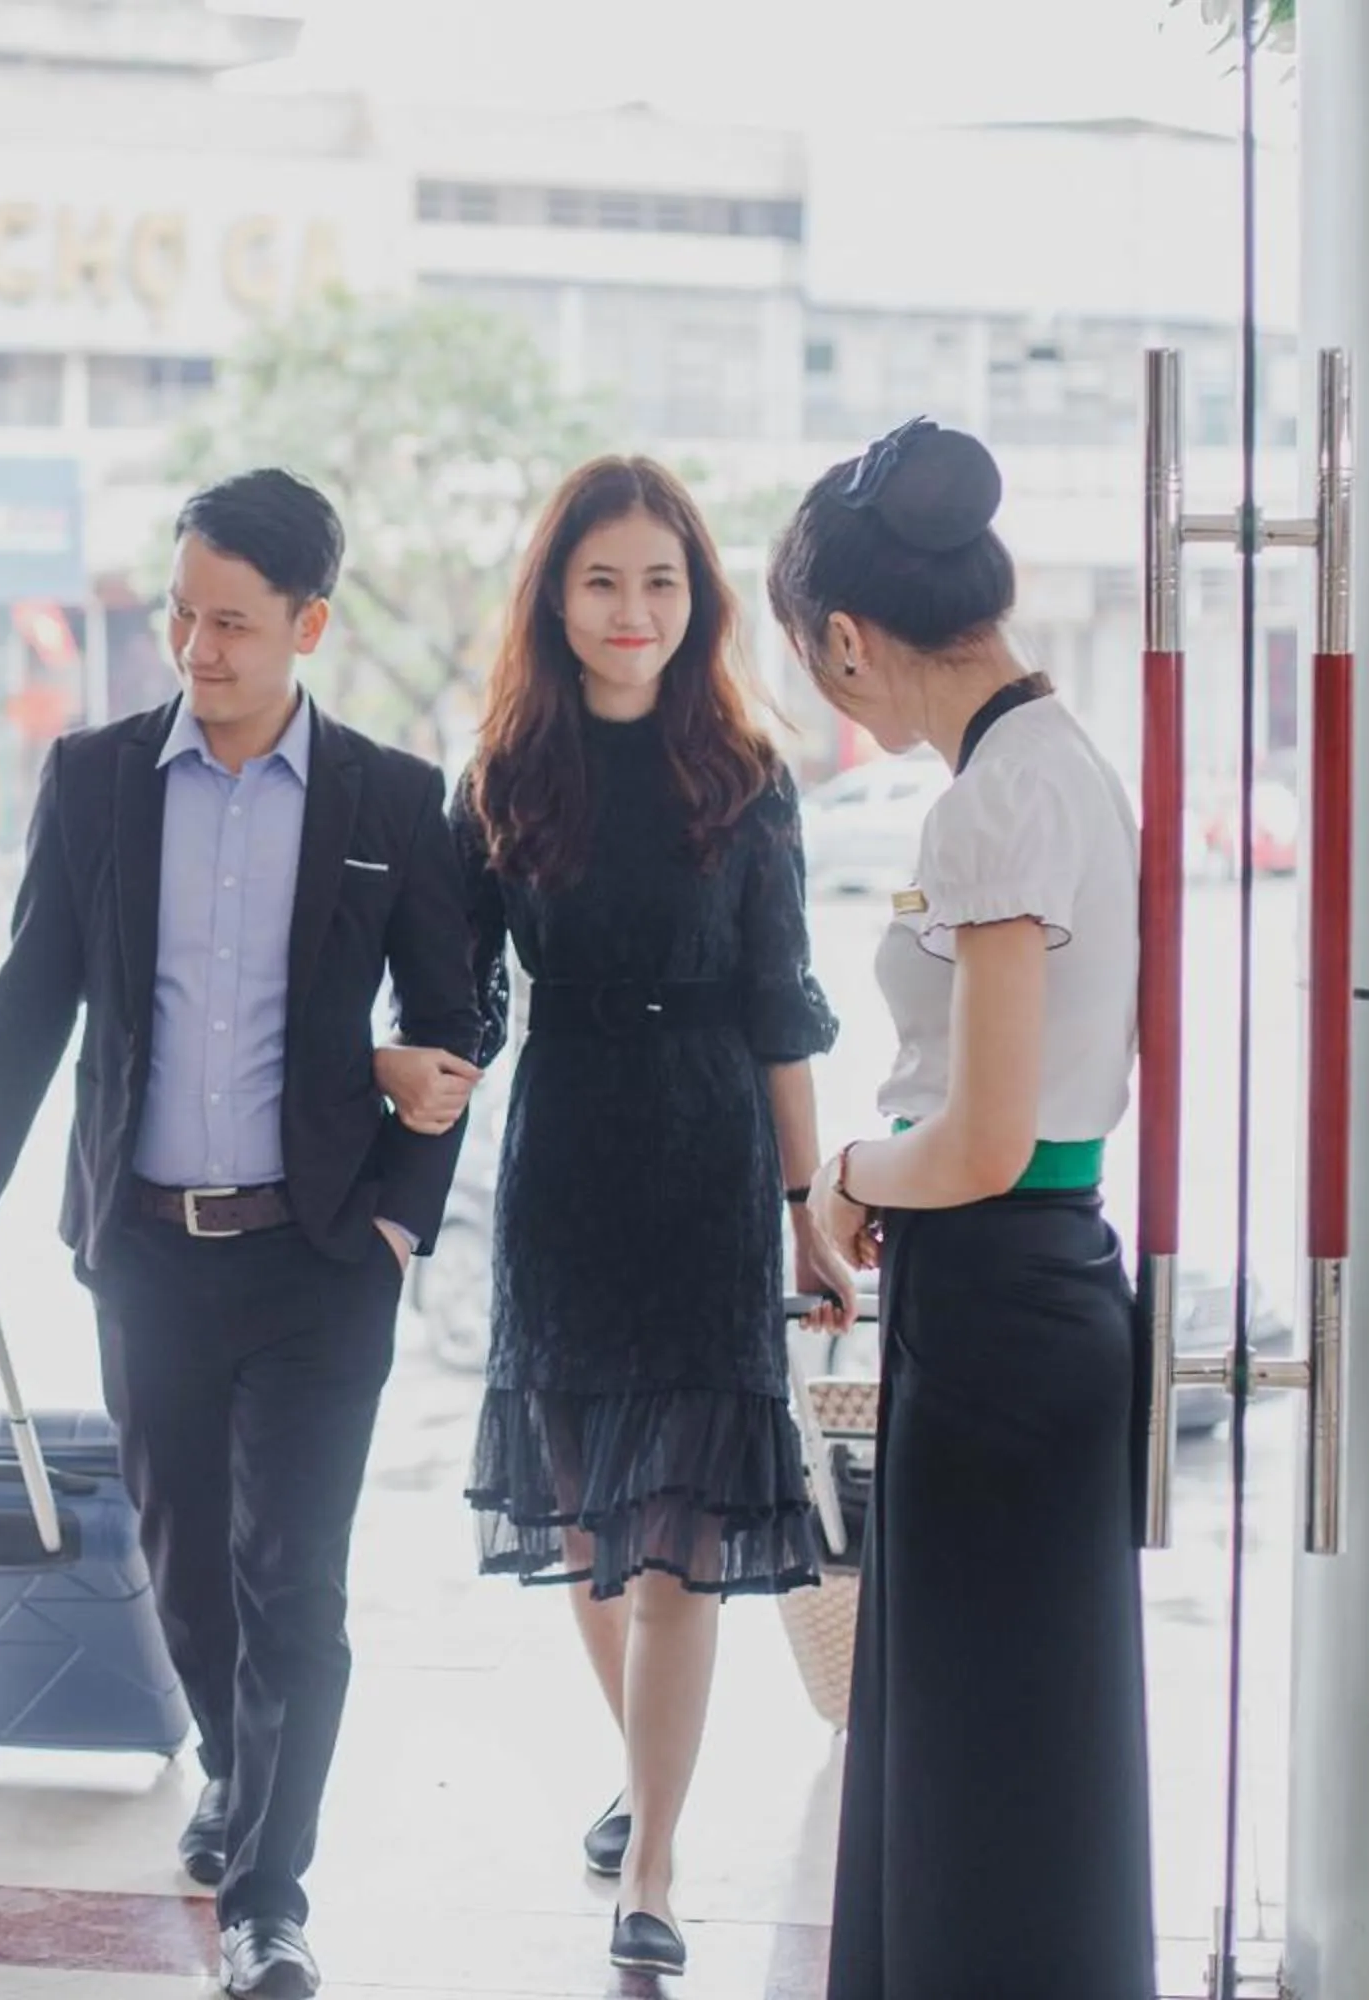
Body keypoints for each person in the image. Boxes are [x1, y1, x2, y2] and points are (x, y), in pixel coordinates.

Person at [0, 469, 482, 2000]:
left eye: (231, 623)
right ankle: (237, 1773)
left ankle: (270, 1900)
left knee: (298, 1583)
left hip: (321, 1257)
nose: (196, 648)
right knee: (187, 1571)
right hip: (148, 1250)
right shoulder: (96, 780)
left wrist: (402, 1224)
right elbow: (31, 1004)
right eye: (181, 614)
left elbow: (456, 1020)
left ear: (309, 626)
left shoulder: (388, 799)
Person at [375, 456, 854, 1977]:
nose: (633, 609)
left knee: (674, 1541)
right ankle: (645, 1778)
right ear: (556, 599)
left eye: (660, 581)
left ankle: (655, 1862)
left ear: (697, 598)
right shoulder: (504, 777)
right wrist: (390, 1086)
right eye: (602, 581)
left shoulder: (746, 771)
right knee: (587, 1527)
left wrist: (807, 1207)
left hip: (709, 1161)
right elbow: (460, 1005)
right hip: (568, 1162)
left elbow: (781, 1008)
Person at [775, 418, 1153, 1998]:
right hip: (1037, 1294)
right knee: (1014, 1762)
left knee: (971, 1768)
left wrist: (850, 1175)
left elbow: (988, 1141)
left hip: (996, 1305)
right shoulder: (1062, 762)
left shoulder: (992, 802)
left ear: (848, 641)